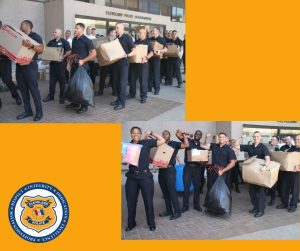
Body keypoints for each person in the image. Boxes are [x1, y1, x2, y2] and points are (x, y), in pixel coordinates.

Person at [125, 127, 165, 232]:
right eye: (133, 133)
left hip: (145, 177)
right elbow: (124, 162)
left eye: (138, 133)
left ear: (141, 134)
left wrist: (151, 132)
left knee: (148, 201)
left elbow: (162, 140)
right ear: (131, 134)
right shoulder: (128, 146)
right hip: (132, 178)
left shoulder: (146, 143)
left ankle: (151, 223)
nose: (136, 134)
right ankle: (131, 223)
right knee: (131, 202)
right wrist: (123, 159)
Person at [236, 131, 270, 217]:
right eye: (254, 136)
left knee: (261, 192)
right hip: (251, 172)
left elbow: (267, 158)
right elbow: (236, 146)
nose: (256, 138)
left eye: (257, 136)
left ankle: (261, 210)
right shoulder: (249, 146)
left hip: (260, 171)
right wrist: (240, 137)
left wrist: (264, 166)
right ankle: (255, 207)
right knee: (252, 191)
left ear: (260, 137)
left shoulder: (263, 147)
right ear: (253, 137)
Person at [16, 20, 44, 121]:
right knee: (23, 90)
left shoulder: (35, 36)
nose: (20, 26)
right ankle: (28, 111)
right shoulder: (20, 36)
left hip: (30, 67)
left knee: (34, 90)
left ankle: (39, 112)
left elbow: (41, 49)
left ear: (28, 26)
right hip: (19, 66)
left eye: (21, 24)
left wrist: (31, 45)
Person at [158, 129, 189, 220]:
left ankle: (177, 211)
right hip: (161, 169)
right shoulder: (160, 143)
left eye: (166, 134)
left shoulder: (174, 143)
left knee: (172, 191)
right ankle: (168, 210)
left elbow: (186, 145)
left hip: (170, 170)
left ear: (170, 135)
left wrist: (184, 136)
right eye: (163, 134)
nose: (164, 135)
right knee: (165, 192)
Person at [66, 23, 96, 114]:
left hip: (83, 66)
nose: (75, 29)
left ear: (82, 30)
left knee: (82, 87)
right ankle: (75, 103)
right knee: (74, 85)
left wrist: (83, 60)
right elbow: (73, 53)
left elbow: (94, 54)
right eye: (75, 28)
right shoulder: (74, 39)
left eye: (77, 28)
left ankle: (84, 106)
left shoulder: (87, 40)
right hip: (74, 65)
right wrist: (69, 63)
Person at [177, 130, 208, 212]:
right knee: (186, 187)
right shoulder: (188, 141)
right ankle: (185, 206)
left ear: (201, 137)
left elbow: (204, 157)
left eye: (199, 134)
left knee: (197, 188)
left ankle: (196, 205)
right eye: (196, 133)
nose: (198, 135)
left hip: (198, 168)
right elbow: (178, 135)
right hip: (188, 168)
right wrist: (186, 133)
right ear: (194, 135)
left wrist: (202, 162)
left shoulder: (201, 145)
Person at [201, 133, 236, 202]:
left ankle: (222, 208)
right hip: (212, 172)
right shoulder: (213, 146)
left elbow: (233, 163)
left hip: (222, 173)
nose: (221, 138)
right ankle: (210, 207)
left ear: (226, 138)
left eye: (223, 137)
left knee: (222, 190)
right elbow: (202, 146)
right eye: (220, 137)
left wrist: (223, 171)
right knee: (210, 188)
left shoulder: (229, 150)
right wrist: (205, 137)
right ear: (218, 138)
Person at [110, 23, 136, 111]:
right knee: (116, 82)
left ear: (122, 28)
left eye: (117, 28)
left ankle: (122, 103)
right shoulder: (116, 38)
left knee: (122, 83)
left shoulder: (127, 38)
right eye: (115, 28)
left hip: (124, 63)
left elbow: (134, 51)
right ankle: (118, 99)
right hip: (116, 63)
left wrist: (127, 55)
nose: (116, 29)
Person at [43, 28, 71, 104]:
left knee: (62, 81)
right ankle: (50, 96)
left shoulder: (64, 42)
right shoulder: (51, 42)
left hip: (61, 65)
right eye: (53, 32)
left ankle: (62, 97)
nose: (54, 33)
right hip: (53, 64)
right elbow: (47, 50)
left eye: (55, 32)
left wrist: (64, 56)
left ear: (60, 34)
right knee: (52, 81)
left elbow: (69, 51)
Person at [127, 27, 153, 104]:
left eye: (140, 32)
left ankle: (143, 96)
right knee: (132, 79)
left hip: (143, 64)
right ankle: (132, 94)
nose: (139, 34)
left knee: (143, 81)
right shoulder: (136, 42)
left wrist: (146, 57)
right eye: (138, 32)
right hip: (134, 64)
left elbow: (152, 52)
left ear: (145, 34)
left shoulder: (148, 42)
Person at [276, 135, 299, 213]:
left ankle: (293, 206)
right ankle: (284, 203)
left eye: (299, 139)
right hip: (287, 172)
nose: (297, 141)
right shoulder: (292, 148)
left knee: (295, 190)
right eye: (296, 139)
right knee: (284, 188)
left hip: (297, 173)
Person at [95, 28, 116, 96]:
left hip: (113, 62)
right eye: (114, 32)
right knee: (102, 77)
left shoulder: (116, 40)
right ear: (110, 33)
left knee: (113, 77)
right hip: (105, 62)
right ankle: (100, 91)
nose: (115, 33)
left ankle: (114, 91)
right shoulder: (103, 40)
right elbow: (99, 50)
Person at [148, 27, 167, 95]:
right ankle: (149, 87)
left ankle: (157, 89)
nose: (152, 32)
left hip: (156, 59)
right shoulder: (150, 39)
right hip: (150, 58)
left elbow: (166, 49)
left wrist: (160, 51)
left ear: (158, 31)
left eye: (153, 31)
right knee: (149, 73)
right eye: (152, 31)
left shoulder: (161, 39)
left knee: (156, 74)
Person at [267, 136, 281, 206]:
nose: (272, 141)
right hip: (267, 167)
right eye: (271, 139)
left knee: (273, 185)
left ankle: (273, 199)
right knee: (268, 182)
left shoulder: (278, 148)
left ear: (277, 141)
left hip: (274, 169)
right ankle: (269, 193)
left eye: (274, 140)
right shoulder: (267, 146)